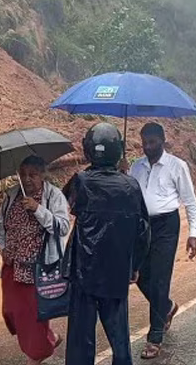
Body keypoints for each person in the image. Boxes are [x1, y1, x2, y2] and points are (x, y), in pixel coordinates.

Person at [64, 122, 151, 365]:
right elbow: (143, 231)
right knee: (119, 337)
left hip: (85, 270)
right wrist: (135, 265)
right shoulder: (131, 185)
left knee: (81, 340)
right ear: (119, 151)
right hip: (117, 269)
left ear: (88, 150)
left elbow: (67, 204)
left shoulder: (80, 181)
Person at [127, 122, 196, 360]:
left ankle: (155, 337)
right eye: (144, 143)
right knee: (137, 275)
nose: (148, 147)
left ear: (162, 140)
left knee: (160, 279)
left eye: (152, 142)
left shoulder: (176, 166)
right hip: (142, 226)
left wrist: (194, 233)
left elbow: (190, 200)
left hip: (167, 226)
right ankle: (167, 307)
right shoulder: (135, 167)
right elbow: (129, 197)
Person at [0, 155, 71, 365]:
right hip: (12, 264)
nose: (27, 179)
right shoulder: (11, 195)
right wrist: (2, 249)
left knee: (33, 314)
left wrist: (38, 209)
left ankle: (37, 353)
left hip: (38, 267)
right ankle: (50, 339)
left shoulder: (53, 196)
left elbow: (62, 227)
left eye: (33, 175)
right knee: (11, 311)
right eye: (23, 174)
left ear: (43, 174)